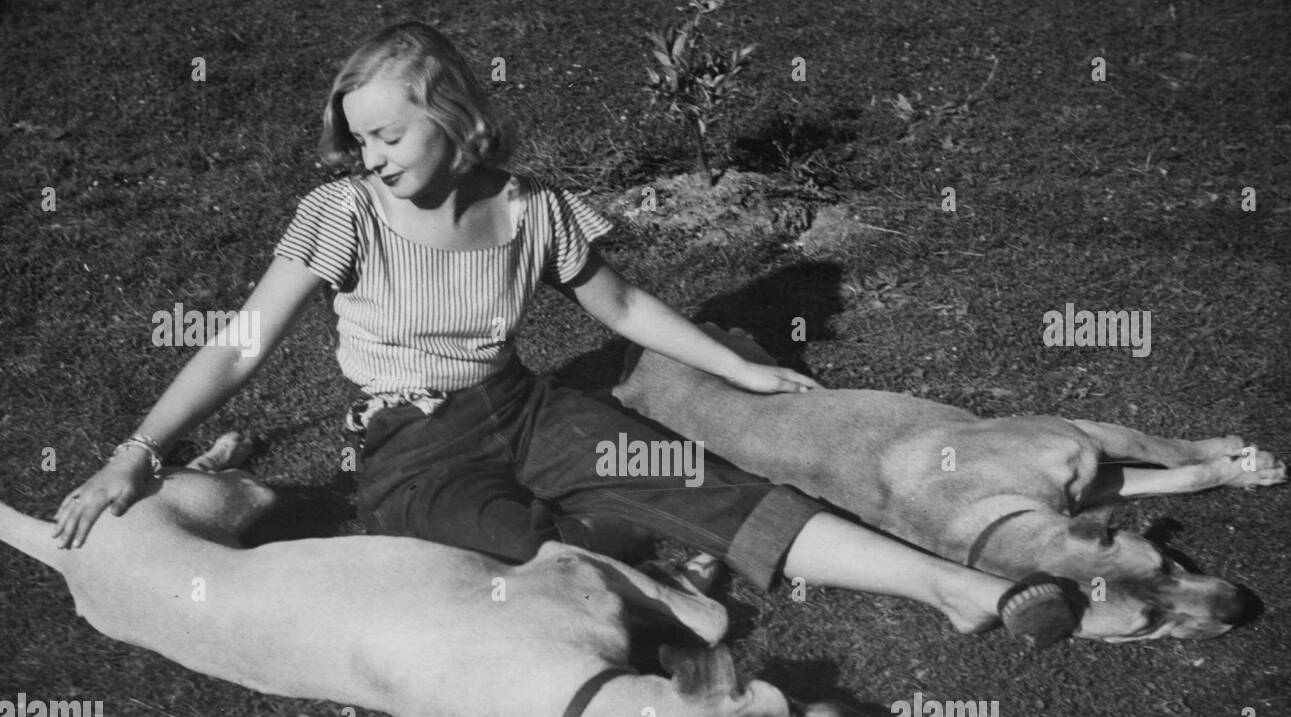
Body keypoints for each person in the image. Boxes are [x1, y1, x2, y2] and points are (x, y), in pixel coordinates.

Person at [52, 21, 1076, 645]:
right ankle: (654, 585)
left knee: (705, 483)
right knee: (493, 549)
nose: (368, 154)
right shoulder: (340, 214)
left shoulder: (534, 209)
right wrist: (134, 456)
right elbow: (242, 343)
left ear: (455, 117)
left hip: (525, 407)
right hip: (404, 442)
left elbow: (620, 309)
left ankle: (955, 589)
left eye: (388, 133)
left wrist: (743, 372)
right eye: (356, 135)